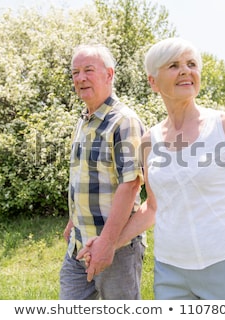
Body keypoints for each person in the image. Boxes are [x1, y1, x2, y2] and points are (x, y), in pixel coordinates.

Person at [79, 38, 225, 300]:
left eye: (191, 64)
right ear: (153, 82)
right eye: (173, 65)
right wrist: (108, 244)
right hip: (170, 273)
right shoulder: (149, 141)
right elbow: (152, 208)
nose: (186, 71)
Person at [59, 44, 146, 300]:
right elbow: (86, 178)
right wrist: (73, 220)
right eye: (75, 72)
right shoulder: (84, 120)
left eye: (88, 70)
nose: (80, 78)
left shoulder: (124, 121)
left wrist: (106, 243)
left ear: (109, 75)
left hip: (117, 249)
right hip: (78, 245)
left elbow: (130, 185)